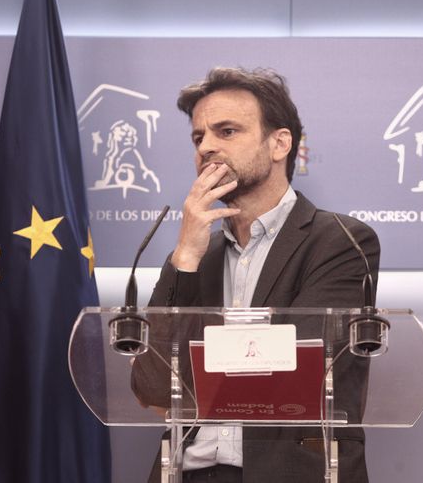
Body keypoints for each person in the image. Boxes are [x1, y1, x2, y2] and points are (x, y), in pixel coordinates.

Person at [132, 67, 380, 483]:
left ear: (280, 143)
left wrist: (199, 365)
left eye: (227, 131)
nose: (206, 147)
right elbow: (152, 386)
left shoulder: (342, 241)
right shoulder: (193, 256)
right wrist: (186, 255)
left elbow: (295, 371)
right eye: (198, 137)